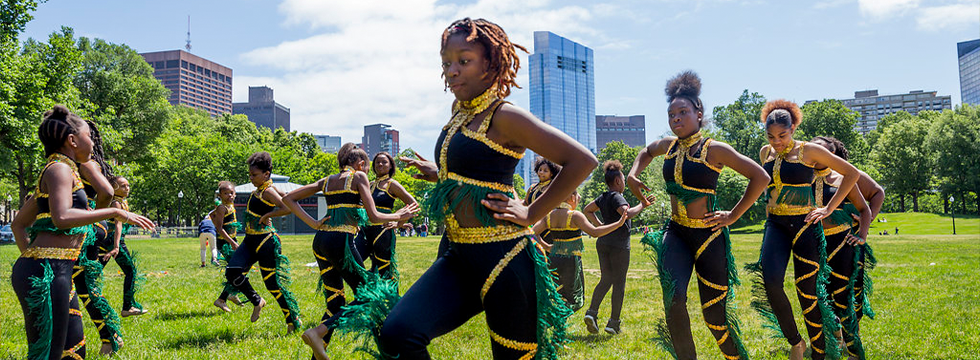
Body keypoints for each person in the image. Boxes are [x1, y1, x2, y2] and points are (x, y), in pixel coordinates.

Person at [381, 17, 598, 359]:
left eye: (463, 61)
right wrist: (439, 174)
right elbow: (475, 174)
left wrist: (530, 213)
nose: (452, 71)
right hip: (457, 256)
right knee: (398, 333)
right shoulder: (459, 113)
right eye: (446, 63)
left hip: (506, 260)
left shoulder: (505, 117)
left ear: (491, 64)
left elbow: (582, 161)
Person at [626, 71, 769, 359]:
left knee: (714, 316)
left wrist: (733, 215)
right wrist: (632, 175)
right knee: (674, 299)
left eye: (683, 112)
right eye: (671, 114)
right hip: (675, 232)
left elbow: (760, 177)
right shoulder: (667, 146)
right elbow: (645, 151)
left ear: (699, 114)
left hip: (709, 237)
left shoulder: (714, 149)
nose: (675, 118)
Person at [10, 105, 152, 360]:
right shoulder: (59, 169)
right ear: (72, 140)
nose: (93, 143)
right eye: (89, 136)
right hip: (47, 272)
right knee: (49, 354)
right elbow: (62, 216)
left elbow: (18, 223)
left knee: (74, 351)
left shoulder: (62, 169)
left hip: (56, 269)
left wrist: (33, 259)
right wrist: (113, 213)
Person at [745, 100, 862, 360]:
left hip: (804, 226)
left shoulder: (809, 151)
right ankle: (795, 341)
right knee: (771, 280)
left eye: (782, 135)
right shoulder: (766, 152)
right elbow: (767, 188)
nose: (776, 141)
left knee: (807, 291)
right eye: (771, 136)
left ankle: (819, 353)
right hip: (775, 225)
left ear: (794, 127)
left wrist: (829, 208)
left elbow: (851, 173)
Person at [281, 143, 418, 360]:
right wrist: (398, 216)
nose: (367, 172)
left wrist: (314, 223)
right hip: (340, 241)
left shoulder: (327, 180)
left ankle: (317, 352)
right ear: (361, 164)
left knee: (335, 303)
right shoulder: (359, 177)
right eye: (366, 167)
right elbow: (374, 216)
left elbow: (288, 198)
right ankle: (318, 332)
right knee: (368, 294)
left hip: (320, 241)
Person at [809, 136, 874, 360]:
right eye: (813, 147)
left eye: (823, 150)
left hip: (843, 246)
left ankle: (853, 348)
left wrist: (862, 235)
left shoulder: (843, 179)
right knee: (819, 297)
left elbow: (865, 209)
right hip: (815, 248)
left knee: (847, 298)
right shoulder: (800, 178)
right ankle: (835, 335)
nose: (816, 152)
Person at [223, 152, 302, 333]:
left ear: (266, 174)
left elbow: (288, 207)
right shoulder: (262, 190)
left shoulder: (268, 191)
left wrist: (268, 215)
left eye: (254, 175)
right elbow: (289, 197)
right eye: (250, 175)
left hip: (266, 241)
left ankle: (292, 320)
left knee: (273, 285)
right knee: (232, 272)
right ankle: (257, 301)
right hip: (250, 240)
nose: (251, 178)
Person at [580, 160, 650, 335]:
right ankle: (613, 323)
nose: (625, 183)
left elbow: (587, 210)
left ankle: (592, 312)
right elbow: (627, 213)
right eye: (624, 180)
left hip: (603, 243)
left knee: (606, 279)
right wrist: (643, 203)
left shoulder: (603, 197)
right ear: (618, 181)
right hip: (618, 246)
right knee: (619, 284)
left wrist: (601, 225)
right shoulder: (617, 196)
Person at [532, 190, 628, 312]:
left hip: (553, 260)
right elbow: (594, 232)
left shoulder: (549, 215)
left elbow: (532, 233)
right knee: (576, 301)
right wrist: (618, 224)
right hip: (570, 262)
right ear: (572, 198)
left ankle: (553, 324)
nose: (579, 198)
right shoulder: (575, 215)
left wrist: (547, 246)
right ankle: (550, 321)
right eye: (577, 196)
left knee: (559, 296)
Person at [352, 151, 419, 281]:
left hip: (383, 232)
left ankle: (391, 299)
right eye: (377, 162)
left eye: (384, 162)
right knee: (353, 261)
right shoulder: (369, 184)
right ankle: (366, 293)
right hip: (365, 232)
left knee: (385, 270)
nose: (380, 164)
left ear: (390, 166)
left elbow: (413, 204)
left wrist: (398, 222)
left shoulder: (391, 184)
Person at [100, 176, 149, 317]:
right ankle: (128, 306)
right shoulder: (115, 203)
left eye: (127, 185)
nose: (127, 188)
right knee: (131, 271)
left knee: (94, 271)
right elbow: (118, 224)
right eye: (122, 186)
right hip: (113, 241)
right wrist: (116, 246)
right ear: (113, 187)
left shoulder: (121, 202)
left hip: (109, 241)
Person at [211, 181, 245, 312]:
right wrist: (231, 242)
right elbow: (219, 228)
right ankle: (224, 298)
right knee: (237, 269)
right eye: (226, 193)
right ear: (220, 195)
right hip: (224, 242)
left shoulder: (230, 205)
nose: (229, 195)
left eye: (232, 193)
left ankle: (231, 293)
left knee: (239, 268)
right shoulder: (222, 208)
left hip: (232, 239)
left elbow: (213, 215)